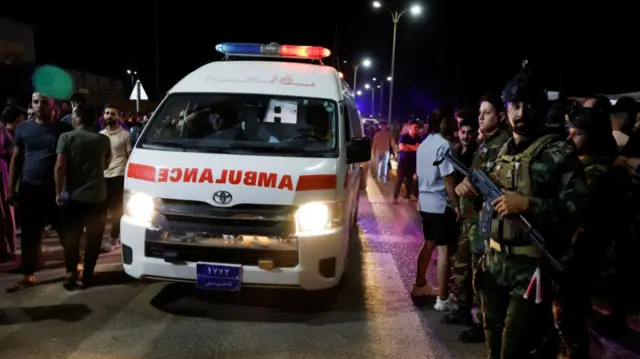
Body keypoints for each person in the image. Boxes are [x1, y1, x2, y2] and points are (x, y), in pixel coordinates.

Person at [455, 62, 589, 358]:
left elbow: (579, 211)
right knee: (494, 346)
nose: (522, 112)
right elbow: (489, 206)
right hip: (494, 266)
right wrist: (471, 194)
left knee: (513, 349)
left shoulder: (558, 153)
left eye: (529, 105)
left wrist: (529, 204)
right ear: (507, 109)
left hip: (530, 269)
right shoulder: (500, 152)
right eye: (515, 105)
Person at [445, 93, 511, 343]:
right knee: (465, 268)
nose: (481, 116)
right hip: (472, 218)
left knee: (481, 275)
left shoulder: (502, 145)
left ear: (501, 117)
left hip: (485, 220)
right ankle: (466, 311)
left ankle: (485, 324)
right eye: (480, 112)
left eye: (487, 112)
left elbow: (496, 183)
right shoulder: (486, 144)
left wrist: (470, 184)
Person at [7, 93, 72, 292]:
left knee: (66, 232)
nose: (39, 106)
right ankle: (28, 275)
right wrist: (11, 188)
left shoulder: (63, 129)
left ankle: (72, 270)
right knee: (29, 235)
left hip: (55, 190)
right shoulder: (23, 129)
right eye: (36, 102)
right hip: (30, 188)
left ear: (53, 106)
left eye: (44, 102)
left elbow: (70, 161)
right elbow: (16, 160)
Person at [54, 103, 111, 289]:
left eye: (72, 114)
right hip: (97, 196)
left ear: (78, 118)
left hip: (74, 197)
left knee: (72, 237)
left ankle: (71, 272)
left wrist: (59, 191)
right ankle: (88, 273)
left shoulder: (66, 138)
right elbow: (106, 166)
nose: (71, 117)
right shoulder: (103, 140)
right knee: (94, 238)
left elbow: (60, 167)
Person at [411, 107, 459, 313]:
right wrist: (457, 204)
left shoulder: (423, 145)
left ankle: (419, 285)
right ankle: (443, 298)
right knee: (443, 250)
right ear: (443, 123)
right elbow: (448, 178)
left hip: (424, 202)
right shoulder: (444, 145)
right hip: (440, 204)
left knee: (428, 244)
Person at [100, 104, 131, 251]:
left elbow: (130, 156)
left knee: (116, 210)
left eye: (113, 114)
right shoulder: (100, 135)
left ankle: (114, 239)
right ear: (103, 115)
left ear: (117, 117)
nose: (110, 116)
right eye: (107, 113)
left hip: (119, 175)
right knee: (101, 210)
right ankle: (102, 239)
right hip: (103, 176)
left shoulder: (125, 135)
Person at [393, 120, 421, 203]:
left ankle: (407, 197)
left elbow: (418, 148)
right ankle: (395, 197)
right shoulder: (404, 136)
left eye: (417, 127)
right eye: (415, 127)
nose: (416, 129)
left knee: (410, 181)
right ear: (410, 127)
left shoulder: (418, 138)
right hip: (403, 162)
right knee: (399, 180)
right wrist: (413, 147)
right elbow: (402, 148)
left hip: (412, 162)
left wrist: (408, 146)